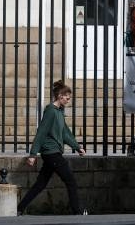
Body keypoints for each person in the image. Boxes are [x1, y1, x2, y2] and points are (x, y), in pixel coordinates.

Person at [18, 81, 86, 215]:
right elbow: (41, 132)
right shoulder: (50, 111)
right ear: (60, 96)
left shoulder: (59, 112)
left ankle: (19, 208)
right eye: (67, 97)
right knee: (70, 180)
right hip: (51, 152)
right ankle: (77, 212)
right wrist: (33, 154)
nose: (68, 100)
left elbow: (65, 133)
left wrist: (77, 147)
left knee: (40, 184)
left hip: (52, 153)